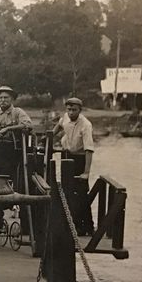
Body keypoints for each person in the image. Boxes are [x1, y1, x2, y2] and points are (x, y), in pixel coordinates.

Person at [0, 85, 32, 229]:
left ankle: (22, 221)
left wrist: (8, 128)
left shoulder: (17, 112)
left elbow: (27, 125)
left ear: (12, 99)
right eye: (1, 98)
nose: (3, 100)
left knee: (11, 185)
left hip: (12, 153)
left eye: (6, 98)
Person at [52, 97, 95, 236]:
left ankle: (88, 226)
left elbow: (89, 150)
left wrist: (86, 172)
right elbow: (59, 126)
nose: (71, 112)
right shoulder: (65, 117)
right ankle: (72, 223)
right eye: (69, 109)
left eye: (74, 110)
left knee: (81, 193)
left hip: (80, 158)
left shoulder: (85, 125)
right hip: (67, 155)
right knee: (67, 191)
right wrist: (50, 136)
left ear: (80, 110)